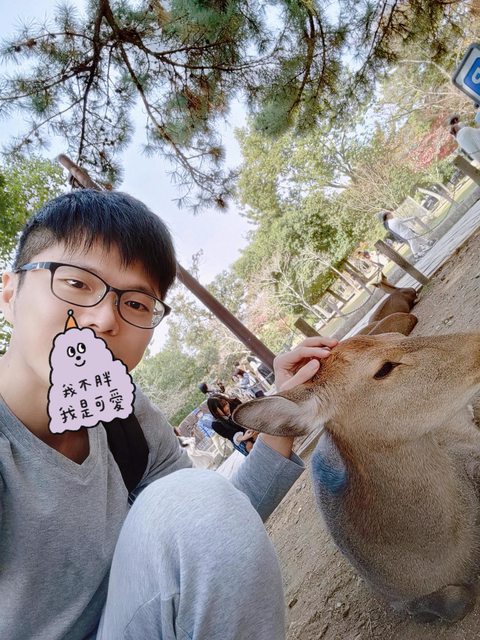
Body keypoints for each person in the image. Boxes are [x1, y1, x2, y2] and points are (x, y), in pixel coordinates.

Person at [0, 187, 338, 640]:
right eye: (77, 283)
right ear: (10, 293)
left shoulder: (124, 416)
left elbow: (208, 529)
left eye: (135, 303)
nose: (105, 319)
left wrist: (281, 410)